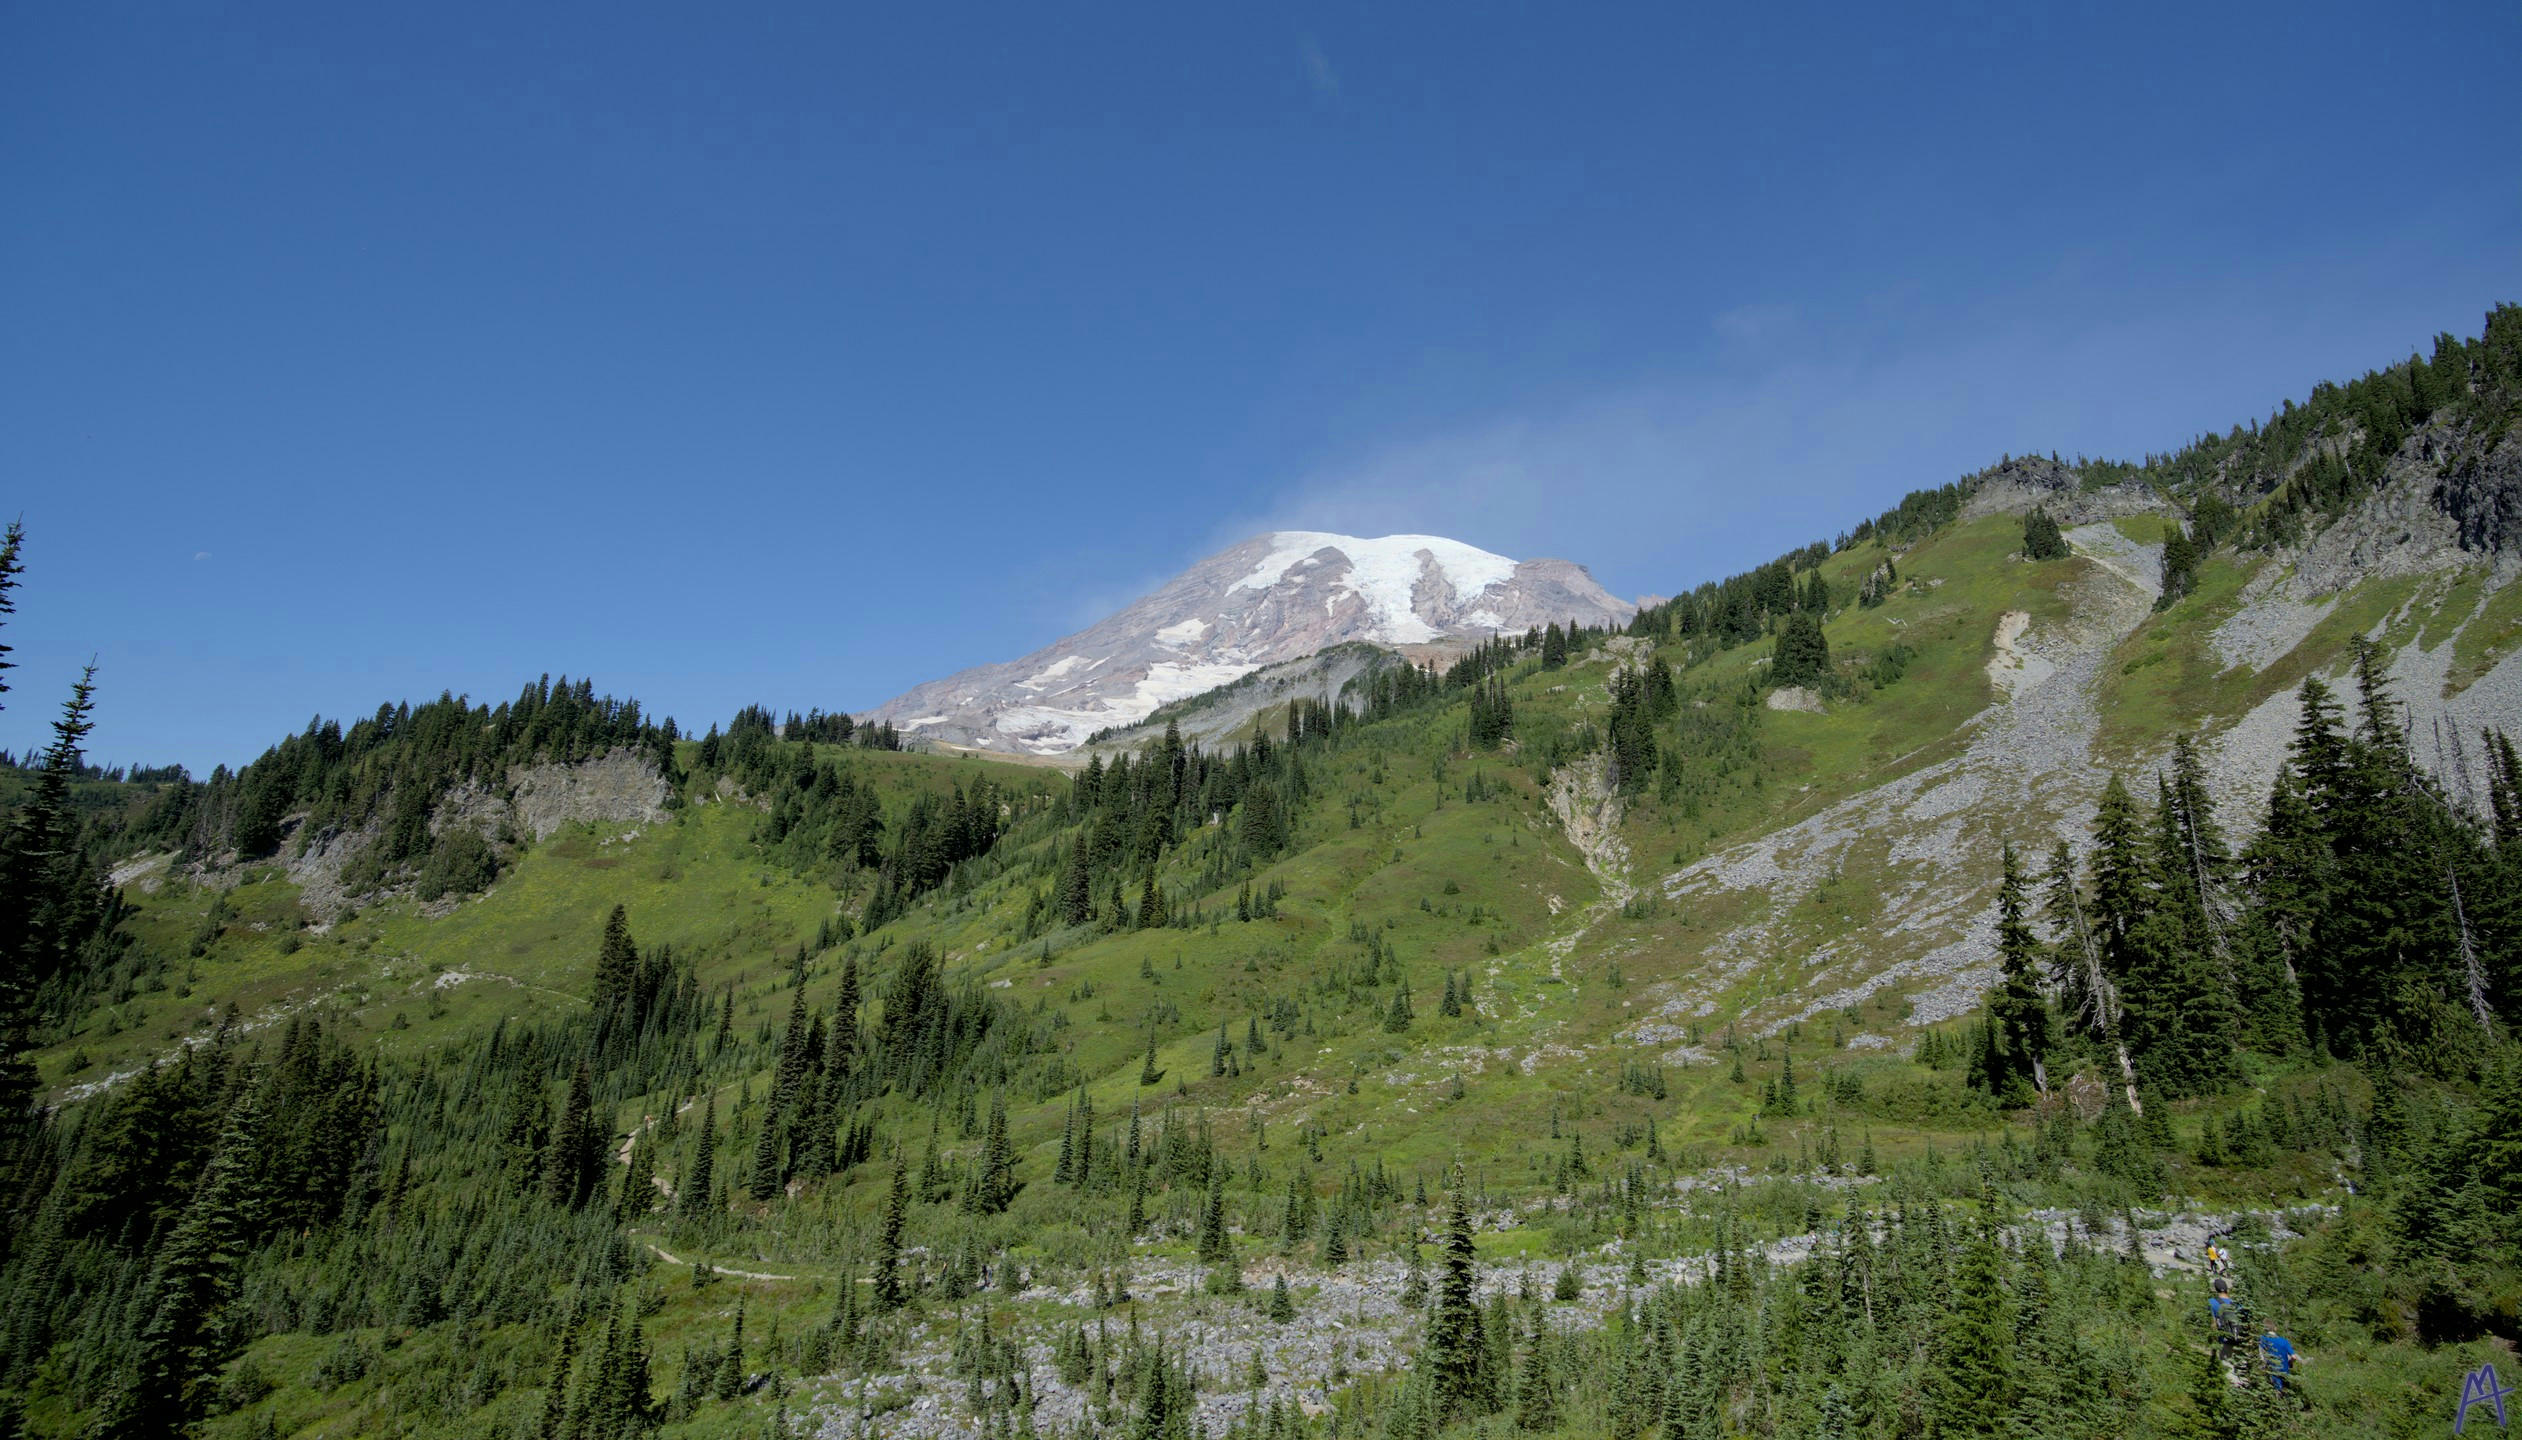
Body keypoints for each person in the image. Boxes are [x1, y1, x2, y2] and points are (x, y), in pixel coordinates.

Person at [2260, 1327, 2301, 1394]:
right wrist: (2289, 1363)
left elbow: (2261, 1354)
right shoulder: (2284, 1341)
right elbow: (2294, 1357)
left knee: (2276, 1390)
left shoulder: (2263, 1339)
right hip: (2284, 1369)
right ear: (2275, 1329)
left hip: (2272, 1369)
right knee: (2286, 1391)